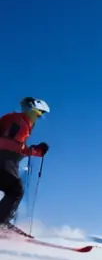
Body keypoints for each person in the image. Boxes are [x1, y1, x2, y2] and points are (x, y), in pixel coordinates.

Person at [0, 97, 50, 231]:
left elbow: (14, 146)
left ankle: (2, 221)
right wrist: (29, 150)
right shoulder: (18, 122)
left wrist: (34, 151)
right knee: (15, 190)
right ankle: (1, 223)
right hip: (3, 160)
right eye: (40, 114)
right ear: (33, 111)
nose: (39, 118)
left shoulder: (22, 123)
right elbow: (5, 142)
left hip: (7, 160)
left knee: (14, 190)